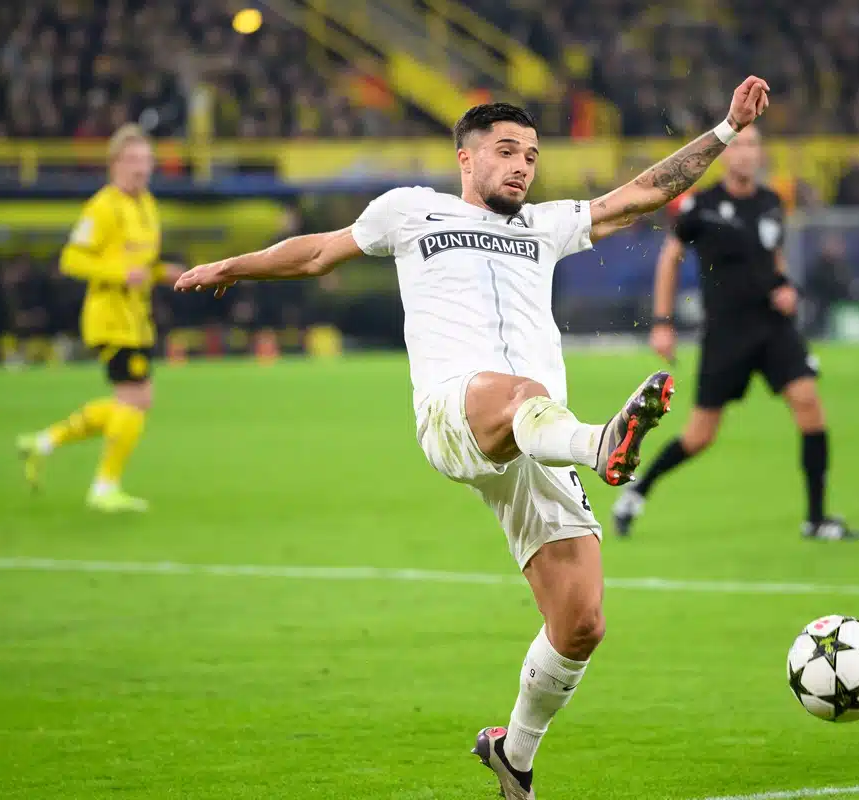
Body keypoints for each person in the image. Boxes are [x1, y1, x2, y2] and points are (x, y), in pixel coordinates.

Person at [175, 78, 770, 800]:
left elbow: (640, 195)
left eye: (532, 155)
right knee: (521, 393)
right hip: (459, 413)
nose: (523, 166)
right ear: (466, 159)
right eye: (507, 151)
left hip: (535, 441)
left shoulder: (544, 226)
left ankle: (514, 755)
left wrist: (727, 129)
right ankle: (603, 443)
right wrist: (232, 267)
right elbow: (315, 253)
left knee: (580, 622)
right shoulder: (408, 212)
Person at [612, 126, 859, 543]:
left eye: (753, 146)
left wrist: (784, 286)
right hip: (726, 334)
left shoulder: (770, 203)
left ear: (760, 155)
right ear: (726, 155)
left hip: (772, 327)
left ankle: (816, 519)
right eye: (739, 146)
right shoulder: (700, 206)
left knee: (808, 403)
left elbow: (774, 257)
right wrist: (662, 322)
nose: (745, 154)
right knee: (699, 436)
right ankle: (638, 491)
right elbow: (670, 258)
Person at [16, 124, 182, 512]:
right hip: (109, 318)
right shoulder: (103, 206)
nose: (141, 168)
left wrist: (166, 272)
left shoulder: (147, 204)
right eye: (132, 160)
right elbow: (72, 258)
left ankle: (44, 442)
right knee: (135, 400)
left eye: (146, 160)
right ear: (114, 164)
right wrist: (119, 274)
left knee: (134, 401)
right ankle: (103, 486)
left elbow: (143, 263)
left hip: (136, 318)